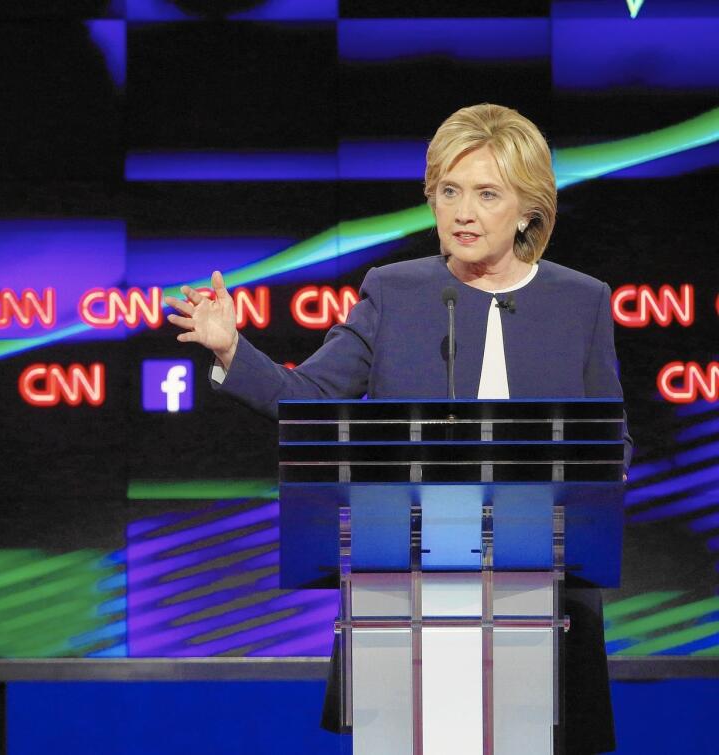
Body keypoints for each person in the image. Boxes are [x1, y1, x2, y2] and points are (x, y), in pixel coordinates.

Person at [168, 103, 623, 754]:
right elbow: (311, 396)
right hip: (407, 591)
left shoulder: (581, 301)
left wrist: (578, 500)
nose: (462, 212)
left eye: (486, 194)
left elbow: (610, 440)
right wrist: (232, 352)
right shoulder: (394, 290)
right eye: (448, 191)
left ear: (528, 210)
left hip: (540, 595)